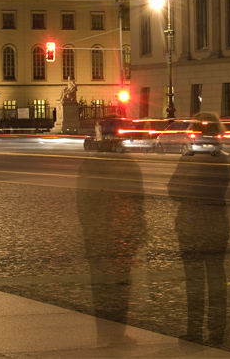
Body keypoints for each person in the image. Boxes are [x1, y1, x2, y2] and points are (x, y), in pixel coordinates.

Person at [76, 122, 147, 347]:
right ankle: (116, 334)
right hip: (120, 234)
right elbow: (137, 200)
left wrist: (90, 228)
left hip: (98, 235)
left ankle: (103, 334)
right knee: (120, 287)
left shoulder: (91, 164)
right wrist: (138, 232)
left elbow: (83, 202)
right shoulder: (128, 163)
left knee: (100, 286)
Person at [167, 111, 230, 347]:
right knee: (216, 278)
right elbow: (222, 188)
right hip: (217, 223)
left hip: (191, 224)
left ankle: (193, 330)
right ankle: (217, 332)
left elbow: (173, 189)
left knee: (193, 280)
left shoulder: (190, 158)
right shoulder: (224, 158)